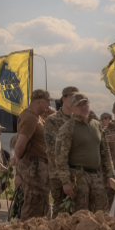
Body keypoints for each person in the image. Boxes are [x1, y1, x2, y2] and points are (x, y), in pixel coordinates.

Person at [53, 93, 114, 213]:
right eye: (79, 105)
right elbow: (61, 158)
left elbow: (105, 152)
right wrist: (66, 182)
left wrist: (110, 174)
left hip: (96, 176)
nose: (83, 107)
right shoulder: (68, 128)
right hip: (78, 176)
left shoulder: (96, 125)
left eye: (85, 103)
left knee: (101, 211)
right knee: (81, 214)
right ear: (72, 108)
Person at [13, 89, 52, 220]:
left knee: (41, 204)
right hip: (33, 167)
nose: (49, 104)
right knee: (33, 205)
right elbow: (19, 145)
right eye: (48, 101)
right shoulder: (30, 118)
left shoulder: (38, 117)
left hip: (40, 167)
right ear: (39, 101)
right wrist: (18, 161)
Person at [46, 86, 79, 217]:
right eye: (71, 97)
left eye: (76, 98)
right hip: (58, 173)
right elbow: (53, 146)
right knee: (60, 211)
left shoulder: (79, 120)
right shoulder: (52, 120)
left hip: (77, 173)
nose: (73, 101)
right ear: (63, 99)